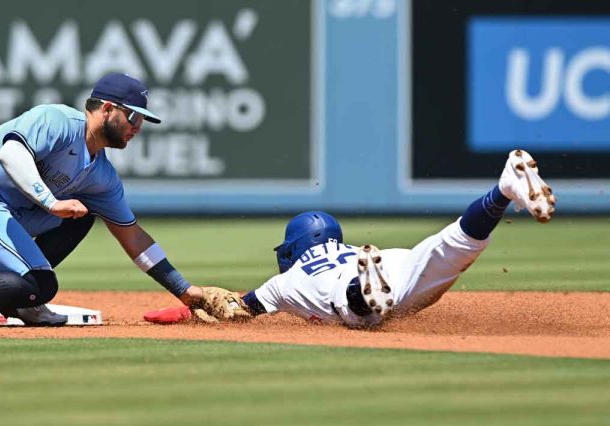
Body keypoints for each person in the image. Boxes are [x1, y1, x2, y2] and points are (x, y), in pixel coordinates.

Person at [0, 73, 231, 326]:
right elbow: (11, 154)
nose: (138, 126)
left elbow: (134, 238)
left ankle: (22, 305)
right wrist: (51, 203)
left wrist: (186, 292)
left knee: (83, 217)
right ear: (107, 108)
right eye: (134, 116)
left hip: (7, 210)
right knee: (41, 284)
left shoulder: (102, 176)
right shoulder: (58, 120)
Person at [145, 149, 556, 328]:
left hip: (346, 285)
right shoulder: (350, 248)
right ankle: (503, 190)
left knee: (358, 313)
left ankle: (365, 289)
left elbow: (239, 310)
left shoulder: (286, 281)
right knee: (451, 246)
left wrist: (192, 310)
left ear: (295, 247)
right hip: (392, 260)